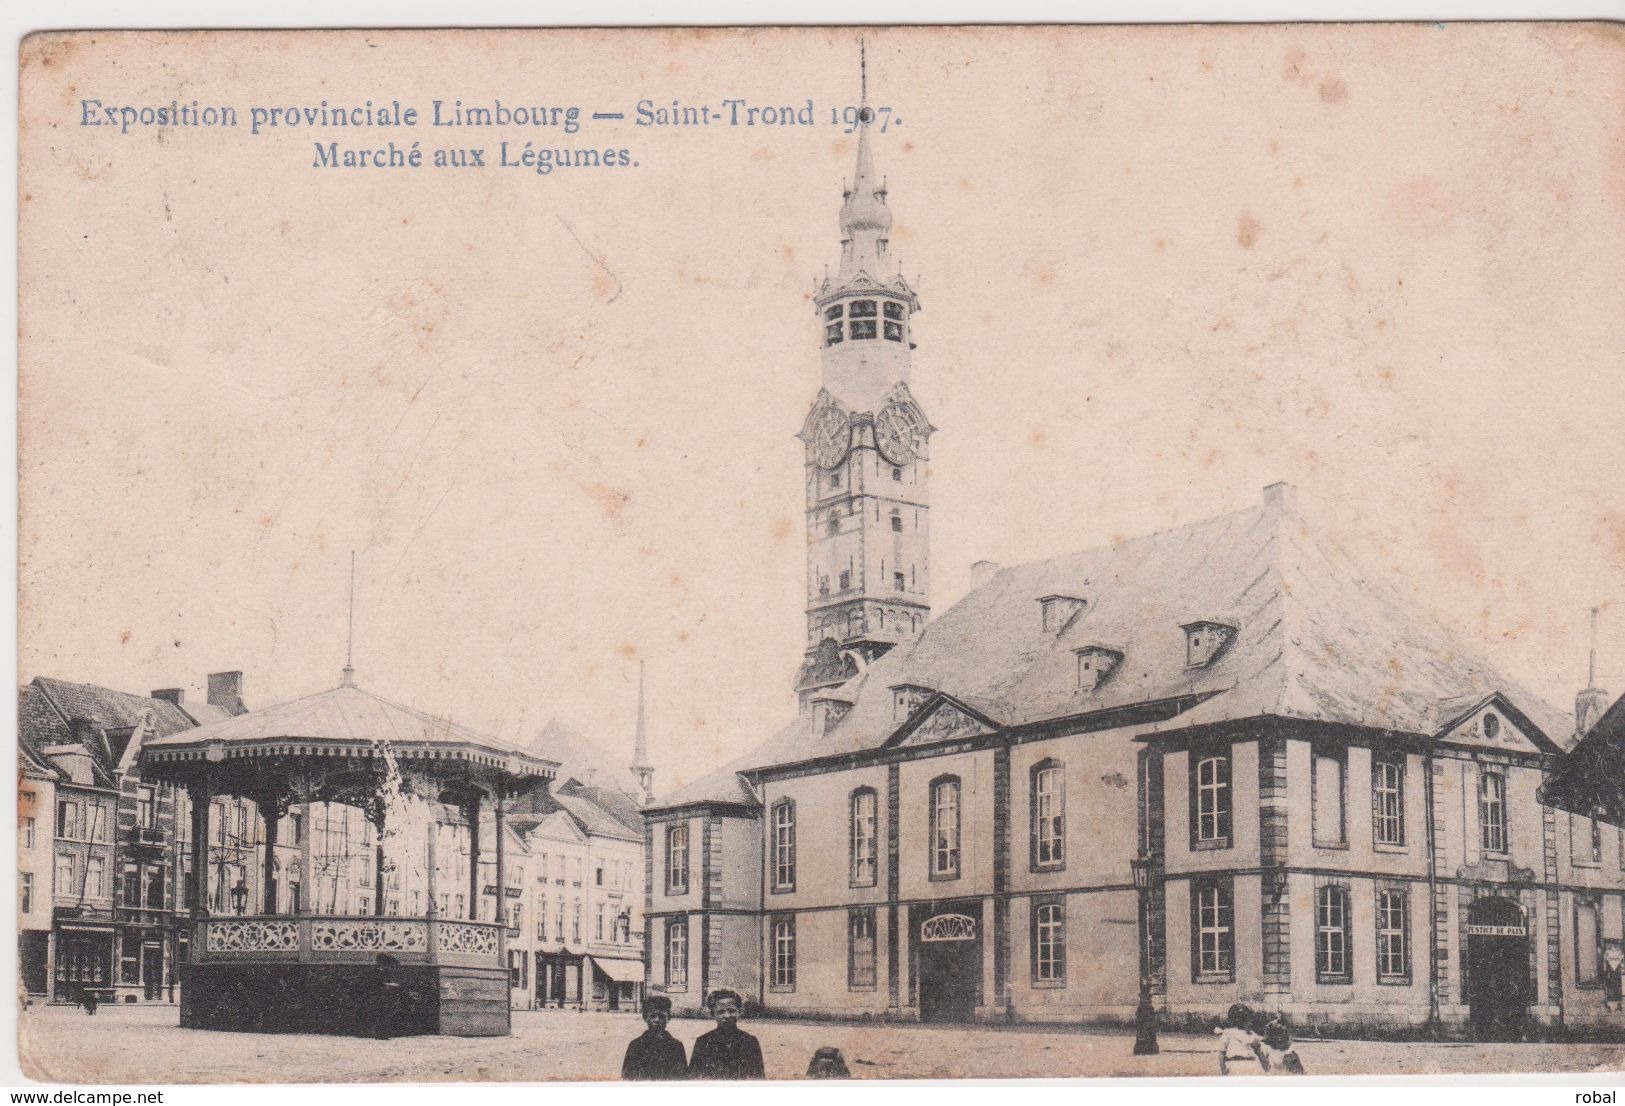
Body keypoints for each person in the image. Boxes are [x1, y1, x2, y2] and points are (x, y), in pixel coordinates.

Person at [688, 989, 765, 1080]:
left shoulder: (750, 1041)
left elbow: (758, 1078)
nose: (727, 1016)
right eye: (721, 1012)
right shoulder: (703, 1042)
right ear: (713, 1014)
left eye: (731, 1010)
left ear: (739, 1012)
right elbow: (693, 1079)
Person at [621, 995, 688, 1080]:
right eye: (652, 1016)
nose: (657, 1020)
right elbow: (627, 1077)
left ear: (669, 1018)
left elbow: (682, 1078)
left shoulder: (676, 1046)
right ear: (645, 1018)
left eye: (661, 1016)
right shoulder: (635, 1045)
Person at [1213, 1002, 1264, 1075]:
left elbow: (1221, 1054)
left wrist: (1223, 1070)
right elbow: (1260, 1053)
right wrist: (1265, 1066)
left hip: (1233, 1065)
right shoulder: (1251, 1034)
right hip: (1251, 1065)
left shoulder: (1227, 1034)